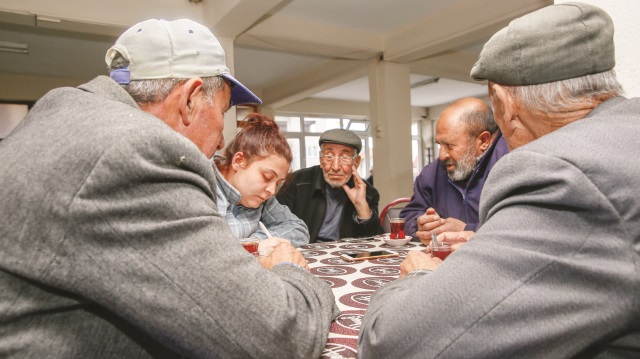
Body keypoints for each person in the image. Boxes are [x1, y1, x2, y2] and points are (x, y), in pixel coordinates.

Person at [0, 19, 338, 358]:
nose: (222, 137)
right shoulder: (139, 152)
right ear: (190, 99)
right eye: (221, 112)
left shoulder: (64, 113)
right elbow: (280, 336)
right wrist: (291, 270)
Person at [359, 3, 640, 358]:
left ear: (503, 104)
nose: (442, 153)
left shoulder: (557, 172)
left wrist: (418, 275)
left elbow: (394, 342)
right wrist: (483, 240)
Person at [399, 97, 508, 242]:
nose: (442, 155)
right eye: (439, 144)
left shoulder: (513, 165)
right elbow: (408, 215)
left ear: (483, 141)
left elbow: (525, 228)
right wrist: (420, 223)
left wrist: (466, 229)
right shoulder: (431, 174)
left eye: (450, 146)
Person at [213, 112, 309, 248]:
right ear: (239, 161)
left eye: (278, 183)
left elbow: (299, 229)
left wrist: (257, 241)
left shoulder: (263, 198)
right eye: (267, 177)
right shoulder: (203, 183)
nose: (272, 191)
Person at [277, 129, 383, 242]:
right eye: (329, 156)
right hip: (304, 251)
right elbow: (276, 224)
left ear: (356, 162)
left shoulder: (369, 193)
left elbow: (374, 242)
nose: (336, 167)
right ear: (321, 160)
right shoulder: (296, 182)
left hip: (347, 254)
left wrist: (361, 206)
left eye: (344, 157)